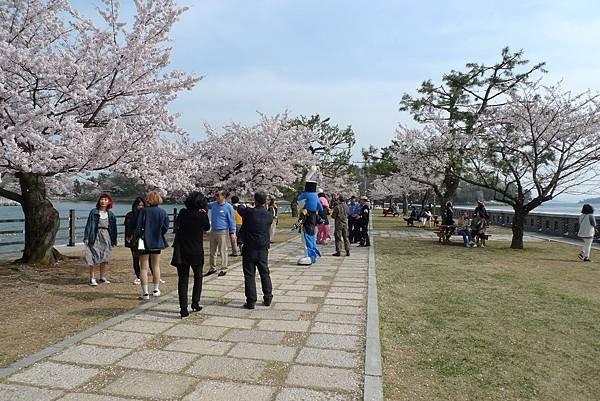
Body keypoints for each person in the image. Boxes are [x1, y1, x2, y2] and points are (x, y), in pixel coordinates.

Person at [171, 192, 211, 318]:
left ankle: (183, 309)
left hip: (182, 250)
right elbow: (206, 228)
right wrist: (204, 213)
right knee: (198, 277)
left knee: (183, 280)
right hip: (196, 250)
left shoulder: (182, 213)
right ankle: (195, 302)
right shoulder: (202, 215)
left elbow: (177, 225)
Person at [237, 191, 274, 309]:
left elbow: (240, 209)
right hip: (263, 248)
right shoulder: (269, 215)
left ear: (255, 200)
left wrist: (245, 205)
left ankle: (251, 300)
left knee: (249, 274)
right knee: (264, 273)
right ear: (266, 201)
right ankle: (268, 297)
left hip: (249, 248)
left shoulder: (249, 212)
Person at [135, 191, 169, 299]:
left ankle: (145, 292)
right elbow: (165, 227)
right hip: (157, 240)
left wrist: (140, 235)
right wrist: (159, 234)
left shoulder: (143, 211)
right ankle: (156, 289)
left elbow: (138, 226)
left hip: (143, 241)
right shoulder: (162, 212)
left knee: (143, 267)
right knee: (155, 266)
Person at [83, 194, 117, 286]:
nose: (103, 201)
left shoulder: (110, 214)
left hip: (106, 236)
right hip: (94, 236)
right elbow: (89, 225)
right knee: (92, 256)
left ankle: (102, 277)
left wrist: (114, 239)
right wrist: (86, 237)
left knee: (104, 257)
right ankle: (92, 278)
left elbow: (113, 228)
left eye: (105, 199)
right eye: (102, 199)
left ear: (109, 202)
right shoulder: (94, 212)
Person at [206, 190, 237, 277]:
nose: (216, 197)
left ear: (223, 196)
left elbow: (232, 220)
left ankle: (224, 268)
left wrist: (233, 232)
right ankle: (212, 267)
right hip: (213, 230)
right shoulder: (213, 205)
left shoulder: (229, 207)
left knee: (222, 250)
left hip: (223, 231)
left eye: (218, 195)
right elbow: (205, 205)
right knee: (212, 250)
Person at [124, 197, 155, 285]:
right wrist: (129, 238)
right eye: (139, 205)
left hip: (145, 239)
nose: (140, 207)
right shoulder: (130, 215)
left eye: (142, 205)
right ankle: (138, 276)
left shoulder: (147, 215)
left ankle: (154, 275)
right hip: (134, 240)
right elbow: (128, 228)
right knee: (136, 258)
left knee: (149, 258)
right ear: (135, 205)